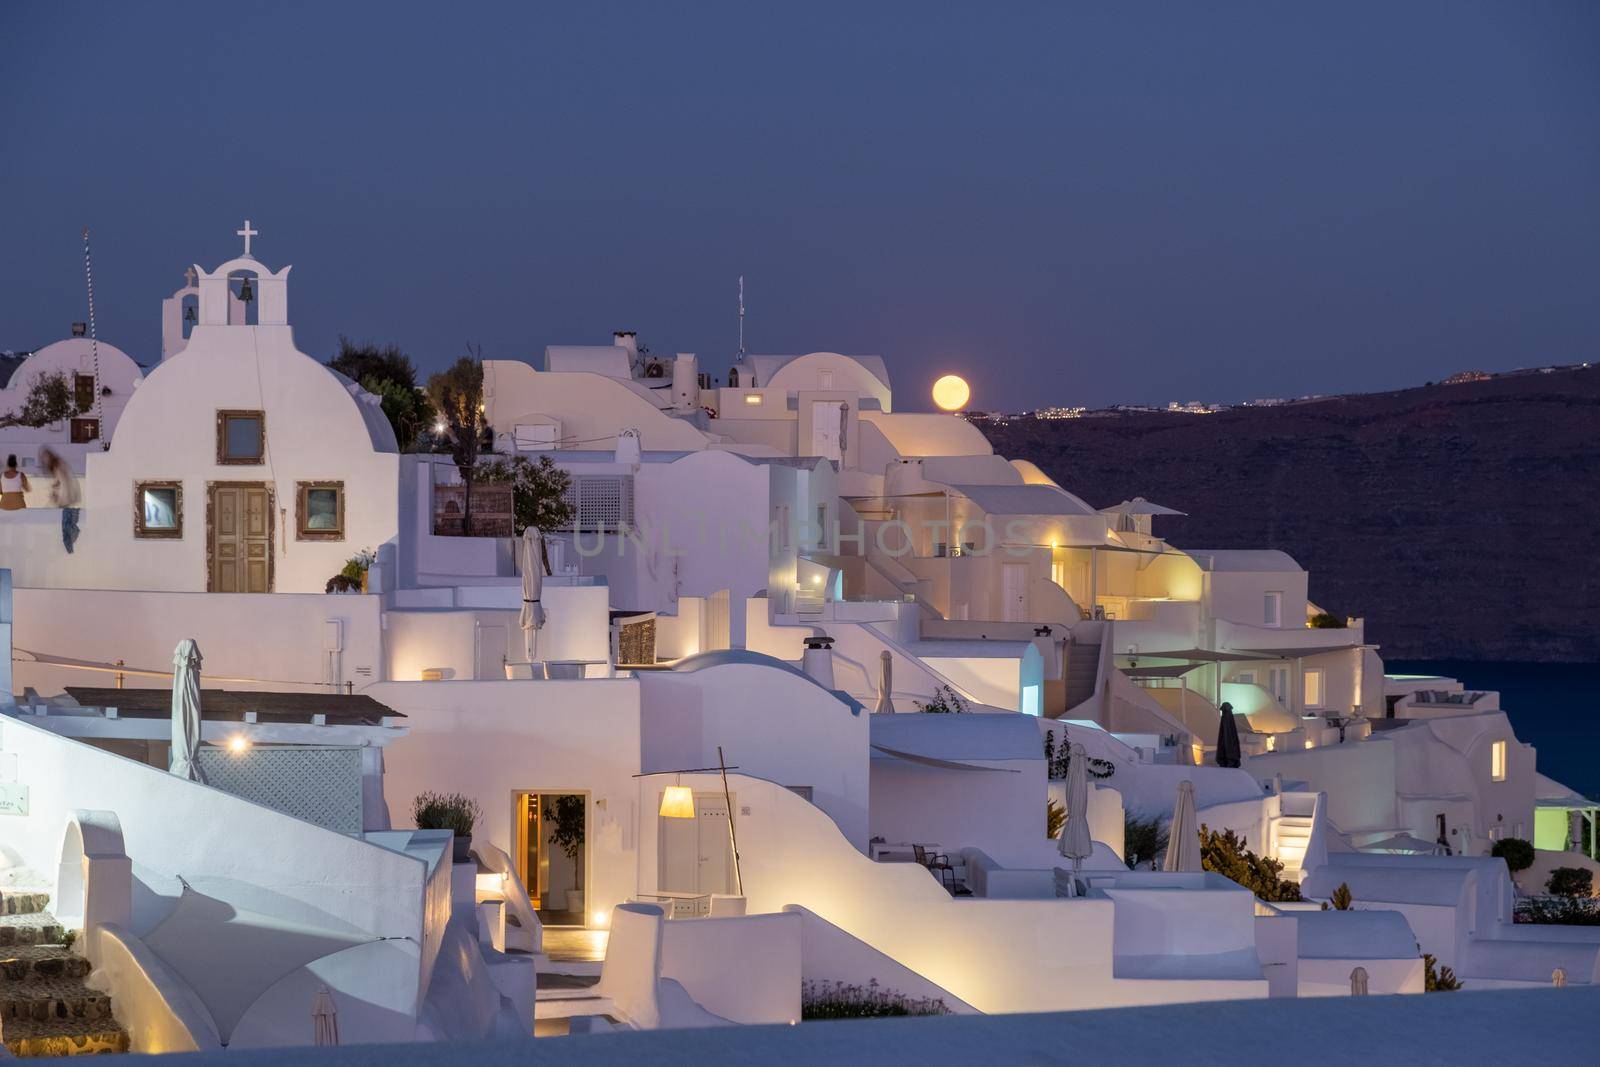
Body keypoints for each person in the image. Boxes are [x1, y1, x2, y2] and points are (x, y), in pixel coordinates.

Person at [40, 448, 81, 552]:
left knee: (64, 517)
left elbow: (61, 481)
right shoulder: (59, 465)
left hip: (65, 495)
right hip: (66, 495)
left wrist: (54, 492)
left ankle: (70, 539)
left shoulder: (57, 466)